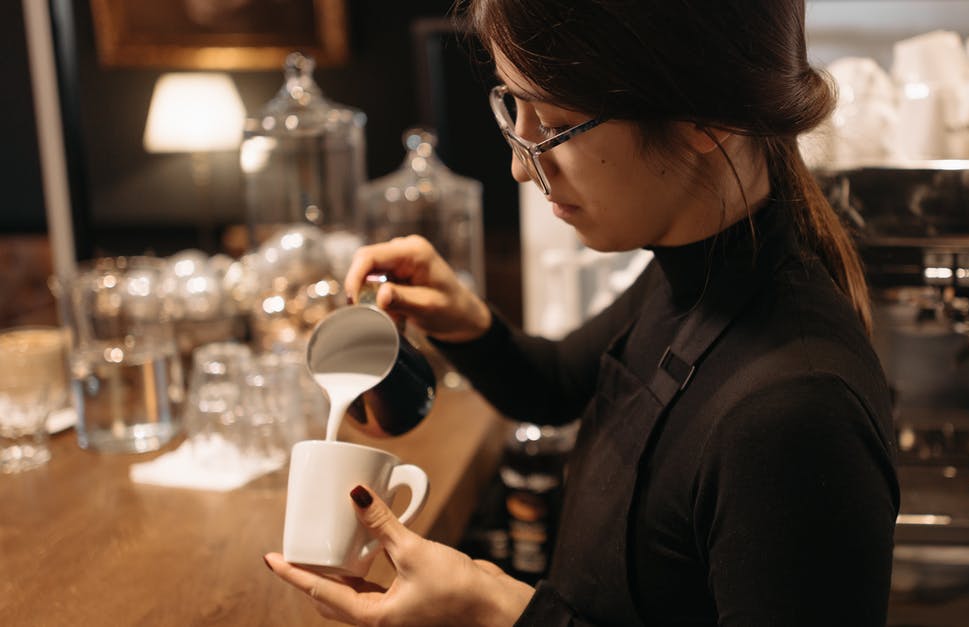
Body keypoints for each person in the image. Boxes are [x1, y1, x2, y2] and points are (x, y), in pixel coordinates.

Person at [263, 0, 900, 624]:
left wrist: (503, 611)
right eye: (512, 105)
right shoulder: (693, 268)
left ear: (709, 117)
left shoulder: (799, 416)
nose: (520, 163)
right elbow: (561, 382)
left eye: (554, 120)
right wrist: (467, 322)